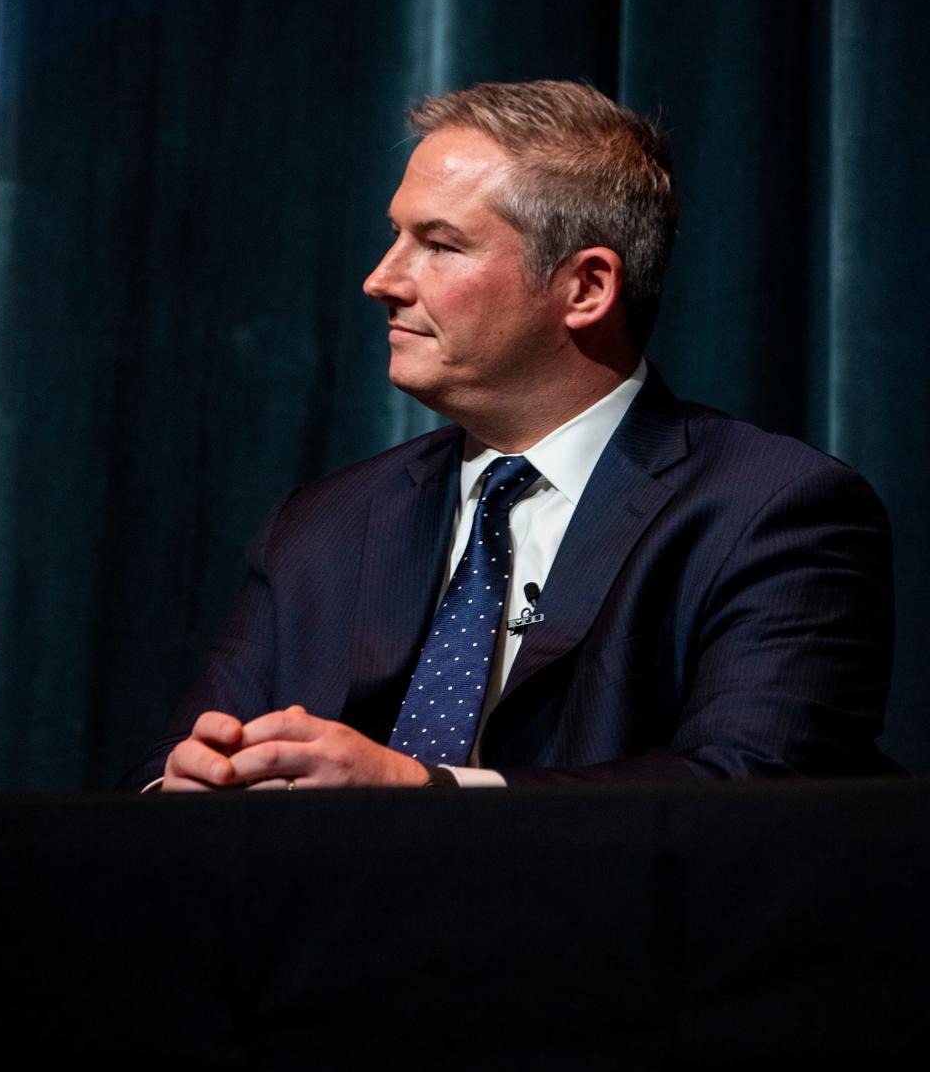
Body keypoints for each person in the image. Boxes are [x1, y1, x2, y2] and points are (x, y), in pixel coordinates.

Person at [127, 80, 894, 793]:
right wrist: (193, 787)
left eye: (439, 244)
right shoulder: (320, 525)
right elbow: (183, 766)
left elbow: (749, 791)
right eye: (394, 236)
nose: (382, 279)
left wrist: (424, 793)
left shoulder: (773, 513)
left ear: (586, 288)